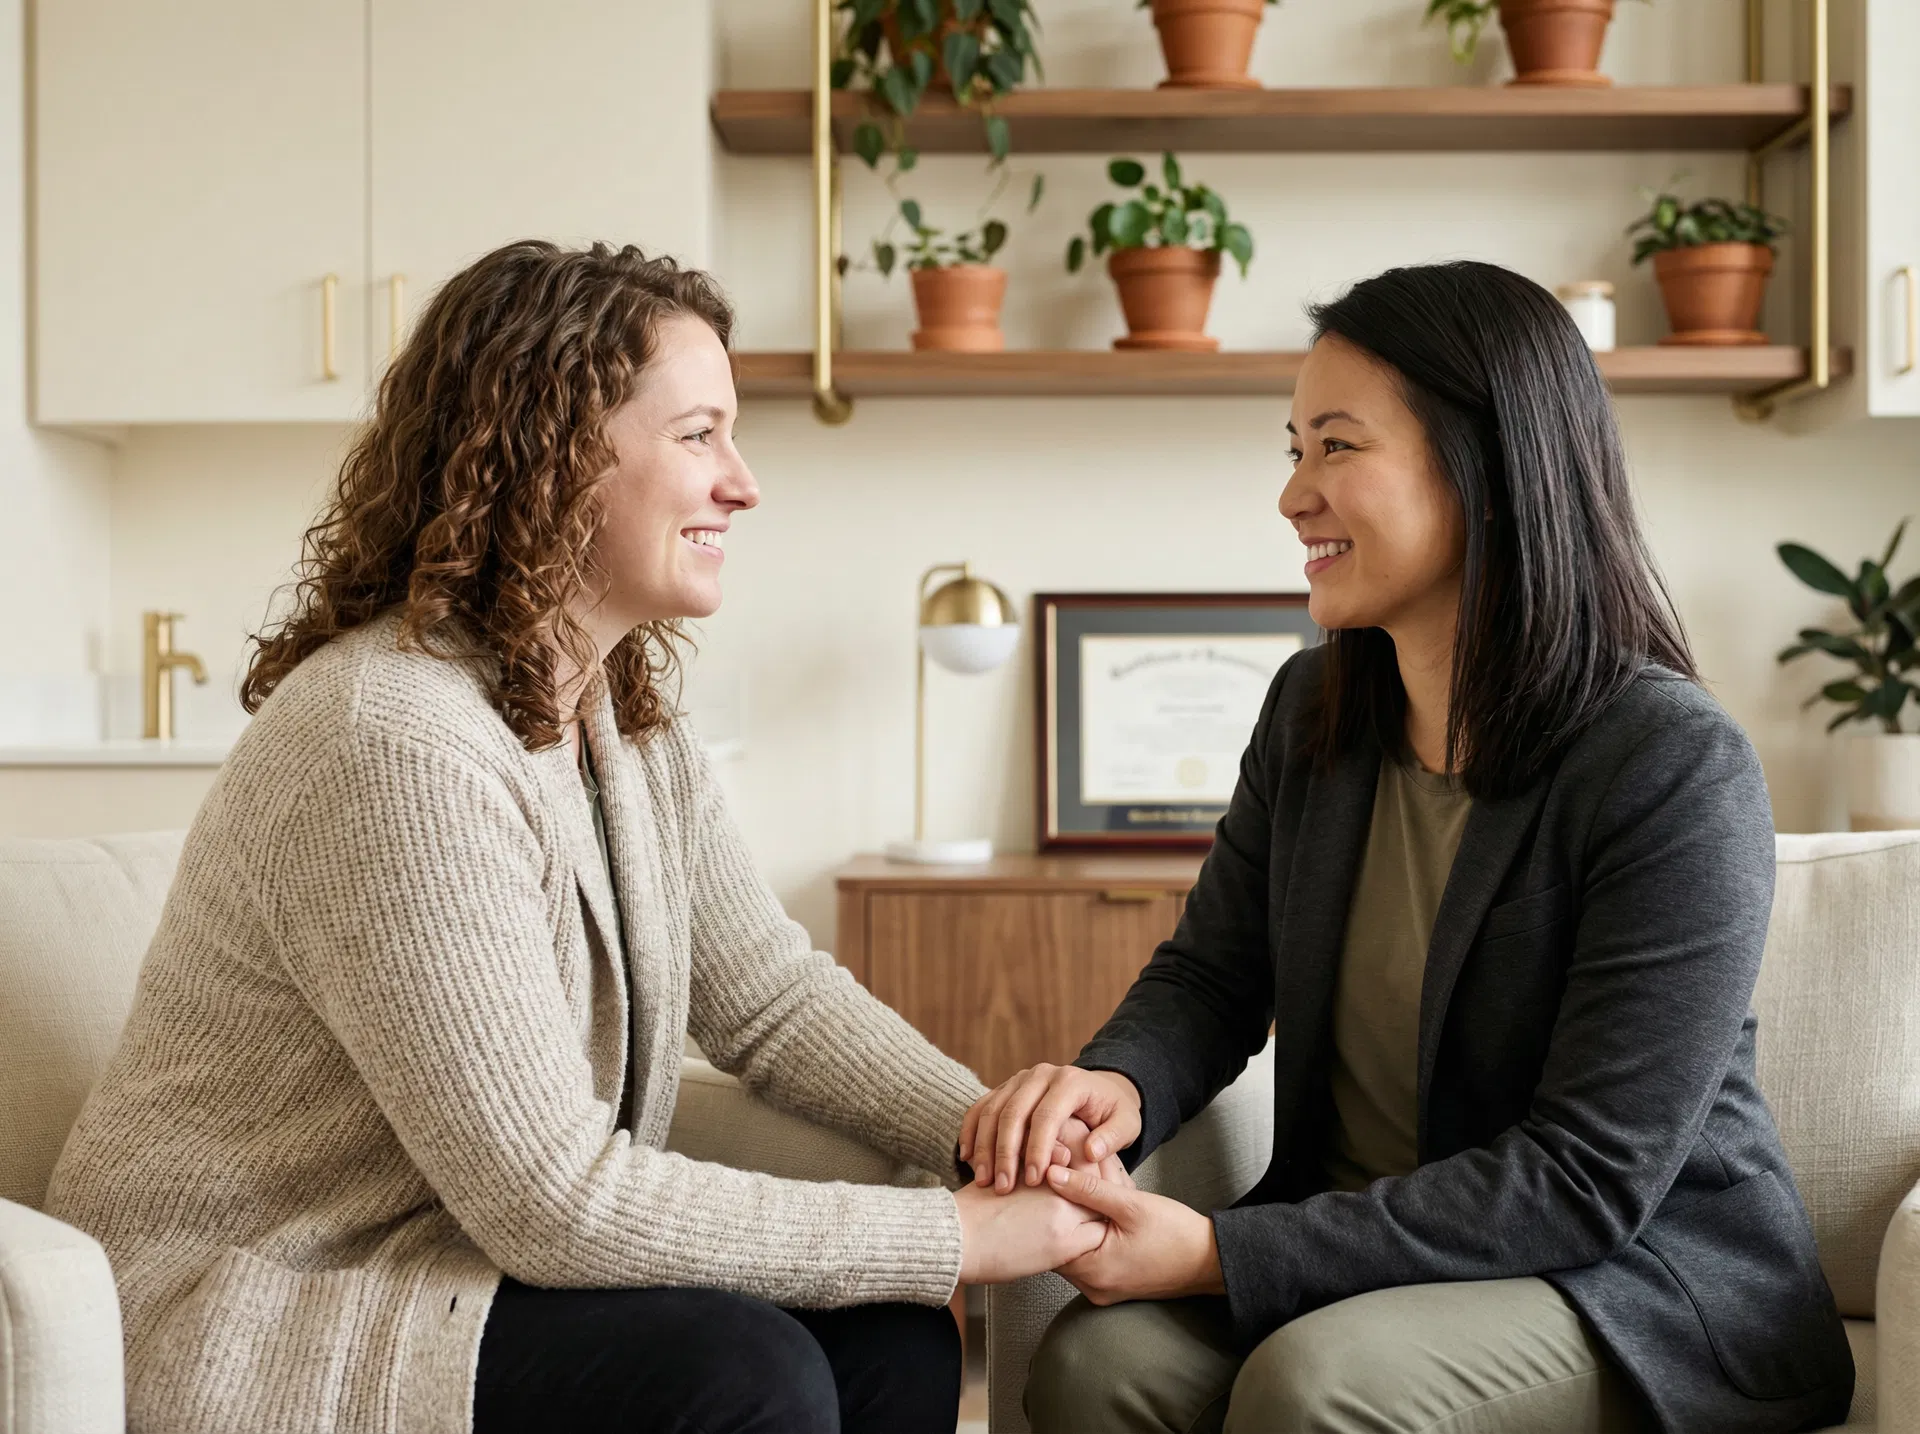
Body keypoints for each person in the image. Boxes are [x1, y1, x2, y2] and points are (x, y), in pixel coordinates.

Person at [44, 240, 1112, 1434]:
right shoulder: (390, 738)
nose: (744, 483)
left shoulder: (618, 713)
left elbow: (767, 997)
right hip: (274, 1299)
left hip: (454, 1259)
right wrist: (952, 1232)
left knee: (888, 1338)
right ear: (549, 456)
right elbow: (552, 1198)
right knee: (746, 1376)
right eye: (700, 435)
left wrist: (987, 1134)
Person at [962, 261, 1855, 1434]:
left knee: (1316, 1386)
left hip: (1621, 1277)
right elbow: (1215, 976)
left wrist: (1216, 1254)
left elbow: (1586, 1177)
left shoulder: (1670, 766)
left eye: (1338, 447)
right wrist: (1114, 1085)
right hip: (1364, 1237)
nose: (1294, 496)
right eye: (1293, 448)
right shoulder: (1311, 711)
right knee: (1097, 1369)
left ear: (1486, 466)